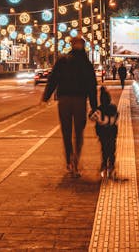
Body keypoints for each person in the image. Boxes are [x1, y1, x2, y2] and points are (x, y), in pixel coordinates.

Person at [41, 36, 98, 177]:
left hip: (64, 100)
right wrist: (94, 106)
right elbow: (92, 86)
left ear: (71, 45)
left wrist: (46, 97)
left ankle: (69, 160)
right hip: (79, 100)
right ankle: (75, 159)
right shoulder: (86, 63)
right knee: (78, 132)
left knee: (66, 132)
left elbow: (53, 79)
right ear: (82, 46)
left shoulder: (62, 60)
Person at [90, 86, 119, 180]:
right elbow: (117, 115)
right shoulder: (113, 108)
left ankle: (104, 165)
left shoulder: (99, 109)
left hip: (102, 133)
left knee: (104, 149)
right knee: (112, 150)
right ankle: (111, 166)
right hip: (112, 132)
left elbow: (91, 117)